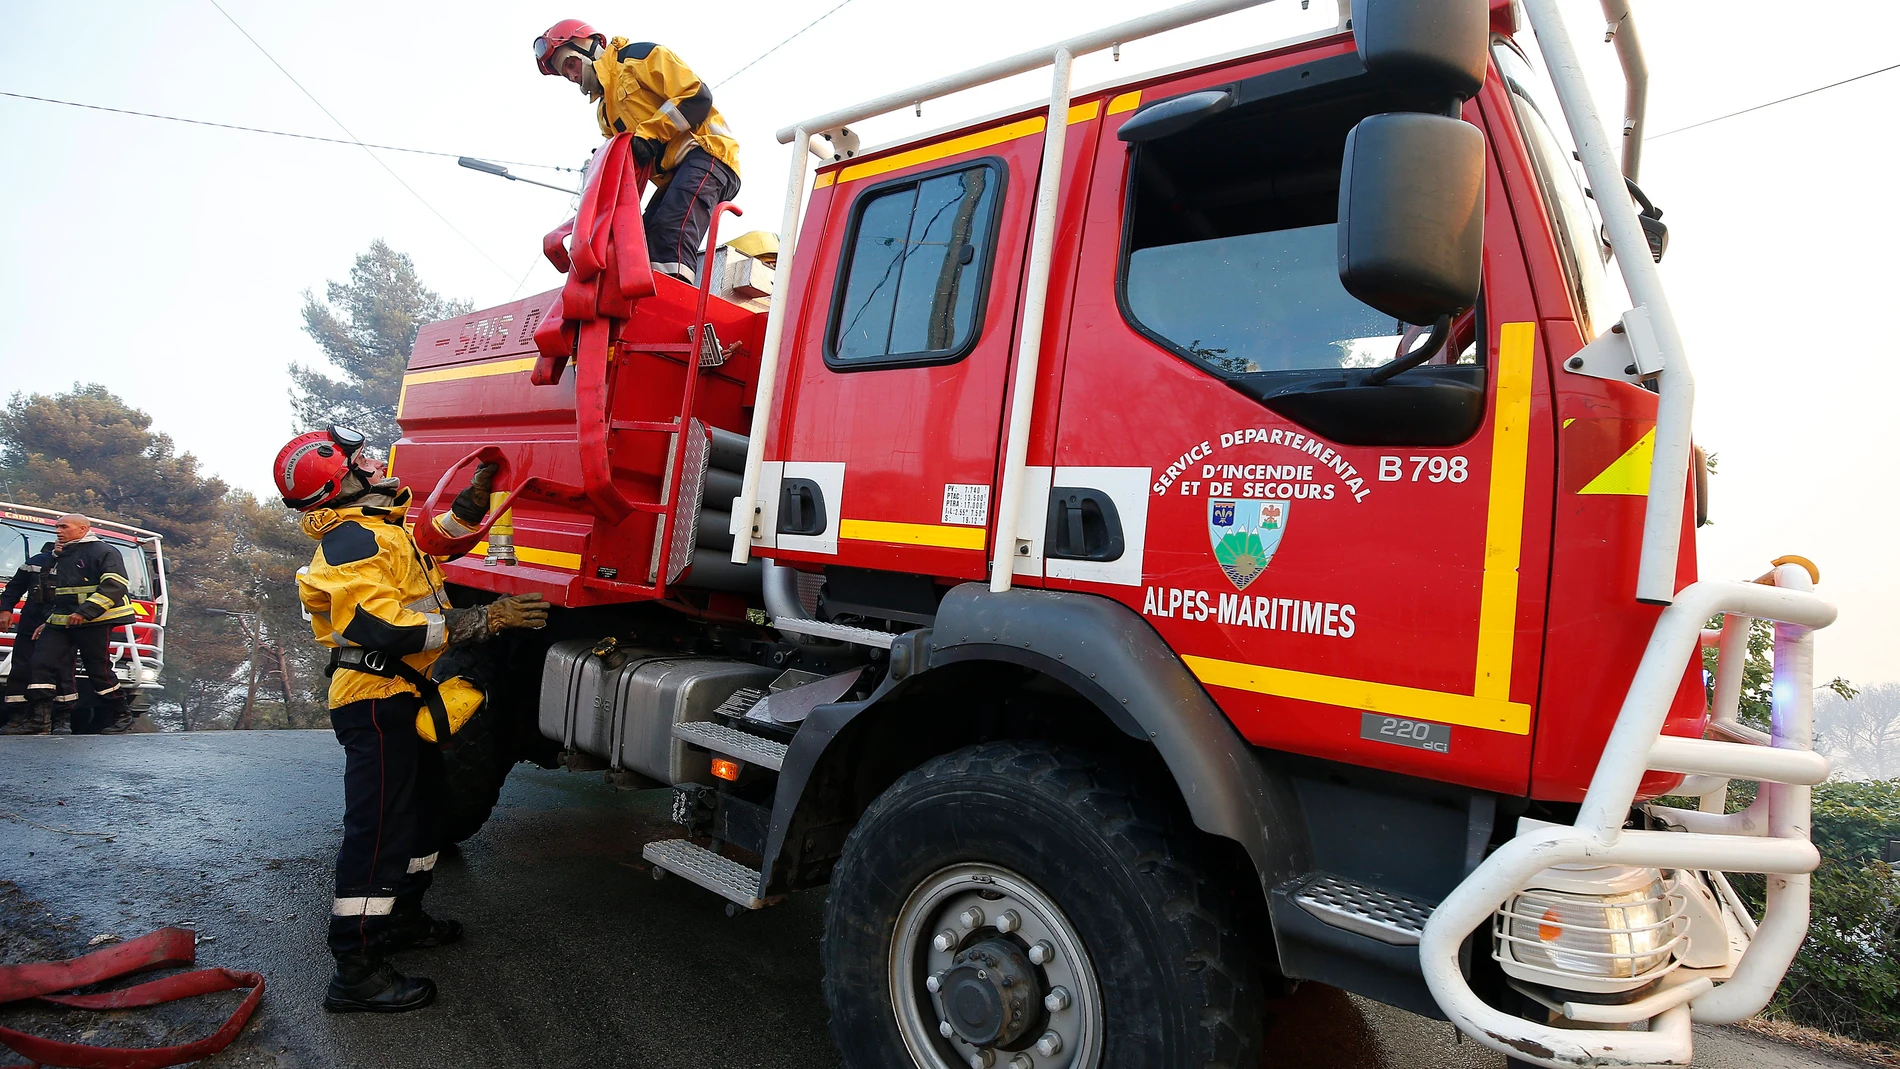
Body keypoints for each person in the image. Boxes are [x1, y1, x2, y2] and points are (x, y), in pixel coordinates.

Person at [274, 426, 549, 1013]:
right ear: (340, 482)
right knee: (379, 829)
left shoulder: (384, 530)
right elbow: (385, 630)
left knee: (426, 810)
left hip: (407, 694)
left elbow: (434, 545)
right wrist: (484, 622)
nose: (375, 463)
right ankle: (355, 969)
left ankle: (402, 917)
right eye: (359, 461)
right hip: (374, 697)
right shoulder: (350, 542)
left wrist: (469, 505)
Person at [534, 19, 742, 283]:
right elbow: (627, 164)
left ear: (588, 46)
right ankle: (647, 301)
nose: (573, 76)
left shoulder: (638, 58)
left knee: (670, 233)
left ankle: (671, 300)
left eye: (570, 64)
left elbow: (696, 97)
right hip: (675, 176)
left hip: (710, 153)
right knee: (639, 243)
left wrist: (649, 136)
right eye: (567, 75)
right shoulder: (605, 113)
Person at [15, 516, 137, 736]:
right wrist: (48, 621)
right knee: (40, 664)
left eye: (63, 527)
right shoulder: (63, 555)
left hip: (96, 621)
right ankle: (39, 720)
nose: (58, 531)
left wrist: (85, 612)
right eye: (57, 527)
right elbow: (59, 595)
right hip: (60, 622)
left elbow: (115, 585)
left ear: (83, 529)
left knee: (98, 670)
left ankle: (122, 716)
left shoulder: (104, 551)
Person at [1, 541, 60, 733]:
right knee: (20, 669)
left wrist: (52, 622)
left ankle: (50, 720)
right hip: (30, 622)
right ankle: (17, 718)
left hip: (60, 626)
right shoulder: (35, 562)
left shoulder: (81, 564)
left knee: (54, 673)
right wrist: (5, 610)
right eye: (58, 534)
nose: (60, 538)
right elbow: (14, 588)